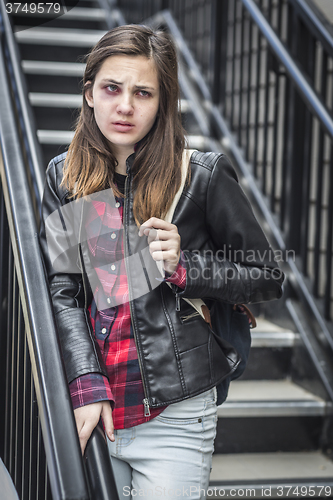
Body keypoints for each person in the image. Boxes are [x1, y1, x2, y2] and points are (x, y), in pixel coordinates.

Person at [39, 24, 284, 499]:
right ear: (89, 94)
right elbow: (63, 291)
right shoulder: (66, 177)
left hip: (177, 414)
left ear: (163, 103)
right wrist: (86, 383)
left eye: (143, 92)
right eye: (112, 88)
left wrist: (185, 267)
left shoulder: (200, 176)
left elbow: (267, 276)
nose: (125, 105)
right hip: (98, 408)